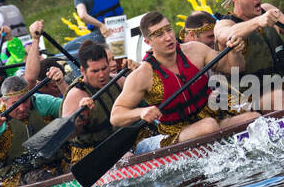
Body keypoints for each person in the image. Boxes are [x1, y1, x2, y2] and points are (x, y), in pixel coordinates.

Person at [109, 11, 258, 153]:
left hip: (211, 117)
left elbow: (236, 67)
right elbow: (116, 116)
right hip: (175, 132)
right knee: (208, 127)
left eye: (168, 30)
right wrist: (141, 112)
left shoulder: (196, 50)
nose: (168, 37)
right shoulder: (142, 74)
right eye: (159, 34)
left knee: (254, 119)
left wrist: (234, 50)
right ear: (148, 42)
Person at [214, 0, 284, 110]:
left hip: (278, 94)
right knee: (279, 97)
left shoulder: (268, 11)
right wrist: (258, 21)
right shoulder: (224, 24)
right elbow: (227, 34)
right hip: (243, 103)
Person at [60, 40, 137, 167]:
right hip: (90, 153)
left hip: (124, 141)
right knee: (126, 157)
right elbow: (66, 135)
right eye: (95, 71)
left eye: (104, 68)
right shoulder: (76, 95)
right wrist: (82, 115)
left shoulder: (119, 81)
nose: (102, 75)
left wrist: (137, 73)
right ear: (83, 71)